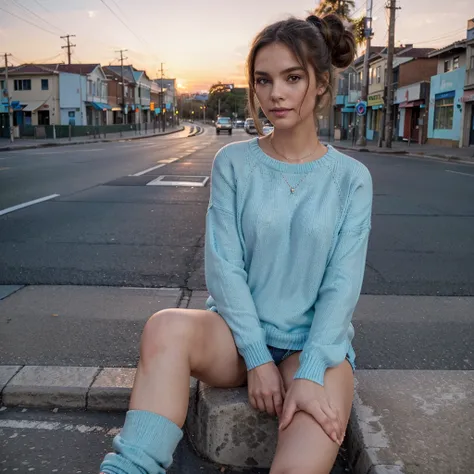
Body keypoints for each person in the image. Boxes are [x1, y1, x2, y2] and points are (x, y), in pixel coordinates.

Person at [100, 12, 372, 474]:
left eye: (292, 78)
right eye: (263, 80)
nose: (275, 94)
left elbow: (342, 286)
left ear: (321, 84)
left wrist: (308, 373)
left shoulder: (352, 179)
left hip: (315, 349)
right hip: (234, 338)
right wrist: (257, 357)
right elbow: (225, 267)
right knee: (165, 327)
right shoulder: (234, 163)